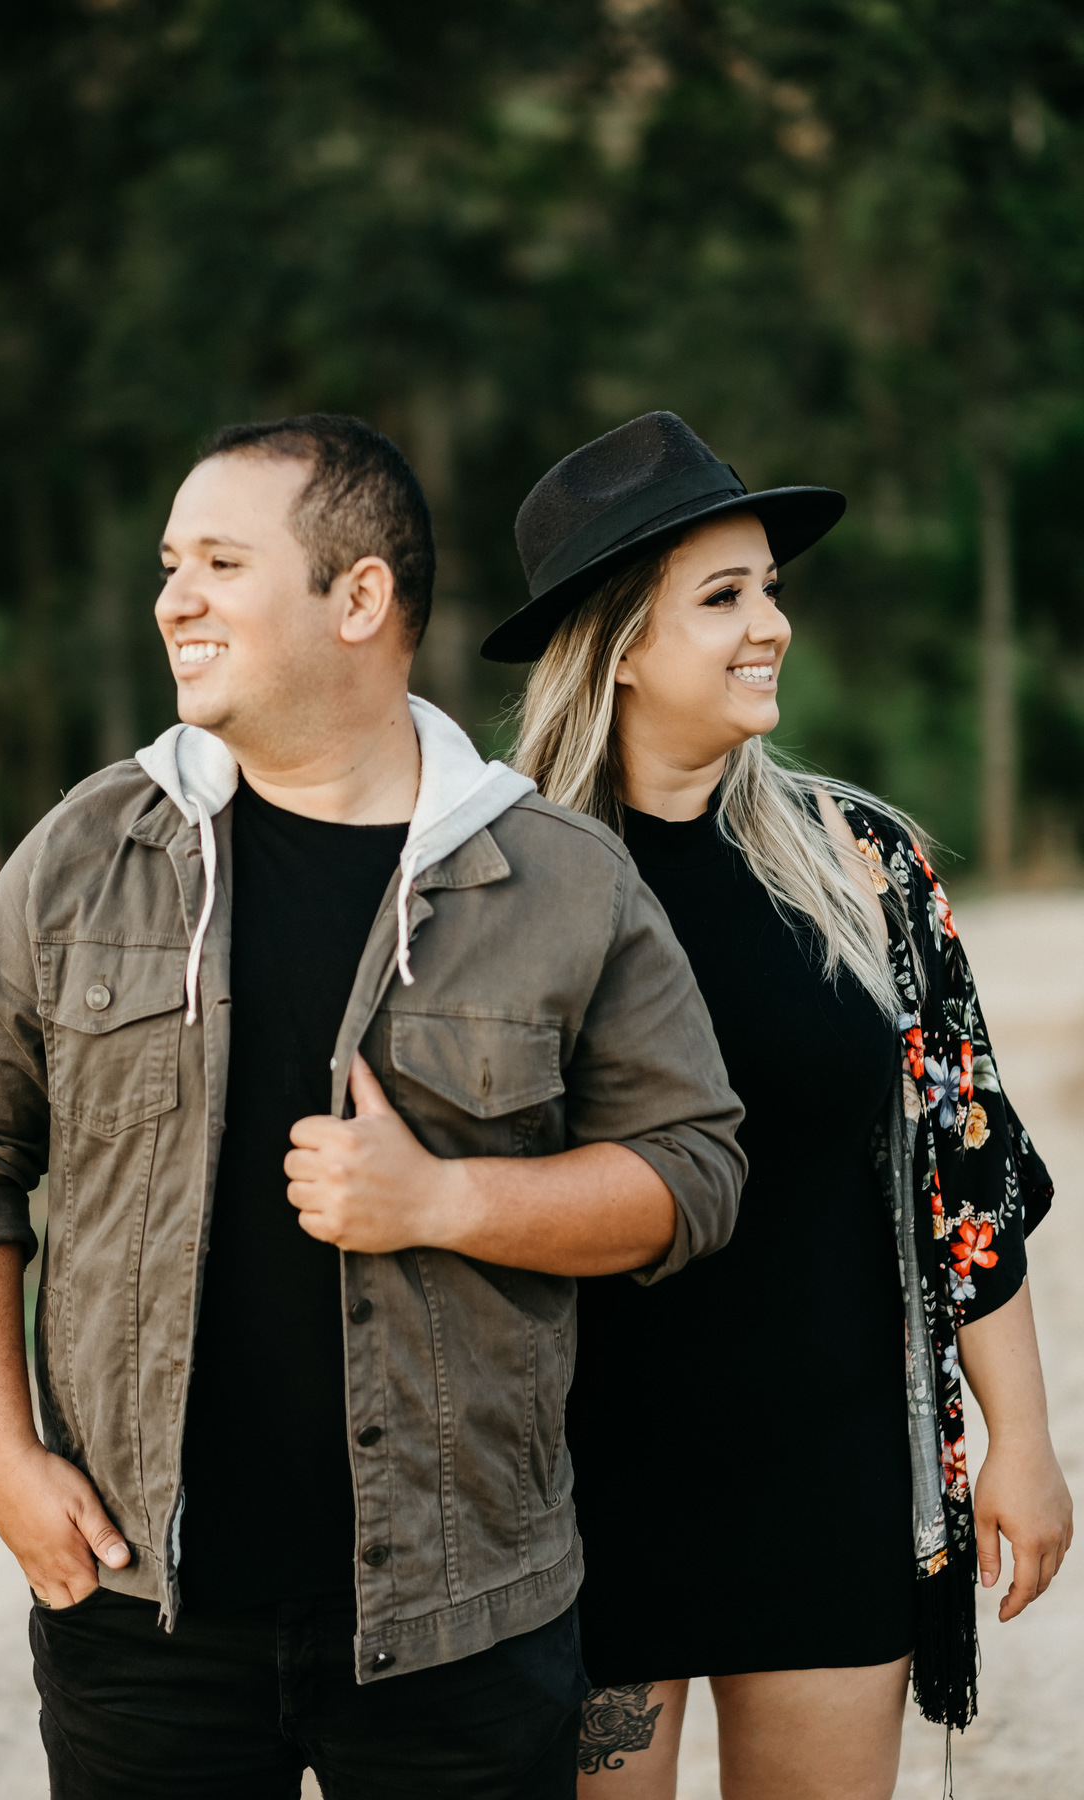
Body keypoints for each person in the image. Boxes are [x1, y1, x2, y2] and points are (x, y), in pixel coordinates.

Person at [0, 414, 747, 1800]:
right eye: (172, 563)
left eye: (221, 562)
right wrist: (0, 1461)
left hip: (466, 1625)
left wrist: (448, 1199)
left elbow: (696, 1169)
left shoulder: (562, 878)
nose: (174, 597)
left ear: (360, 599)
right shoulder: (85, 857)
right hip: (140, 1617)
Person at [483, 411, 1074, 1800]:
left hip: (829, 1484)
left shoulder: (859, 866)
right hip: (575, 1506)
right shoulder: (501, 884)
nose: (773, 627)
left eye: (773, 591)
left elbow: (965, 1177)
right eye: (725, 596)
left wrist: (1027, 1449)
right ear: (622, 640)